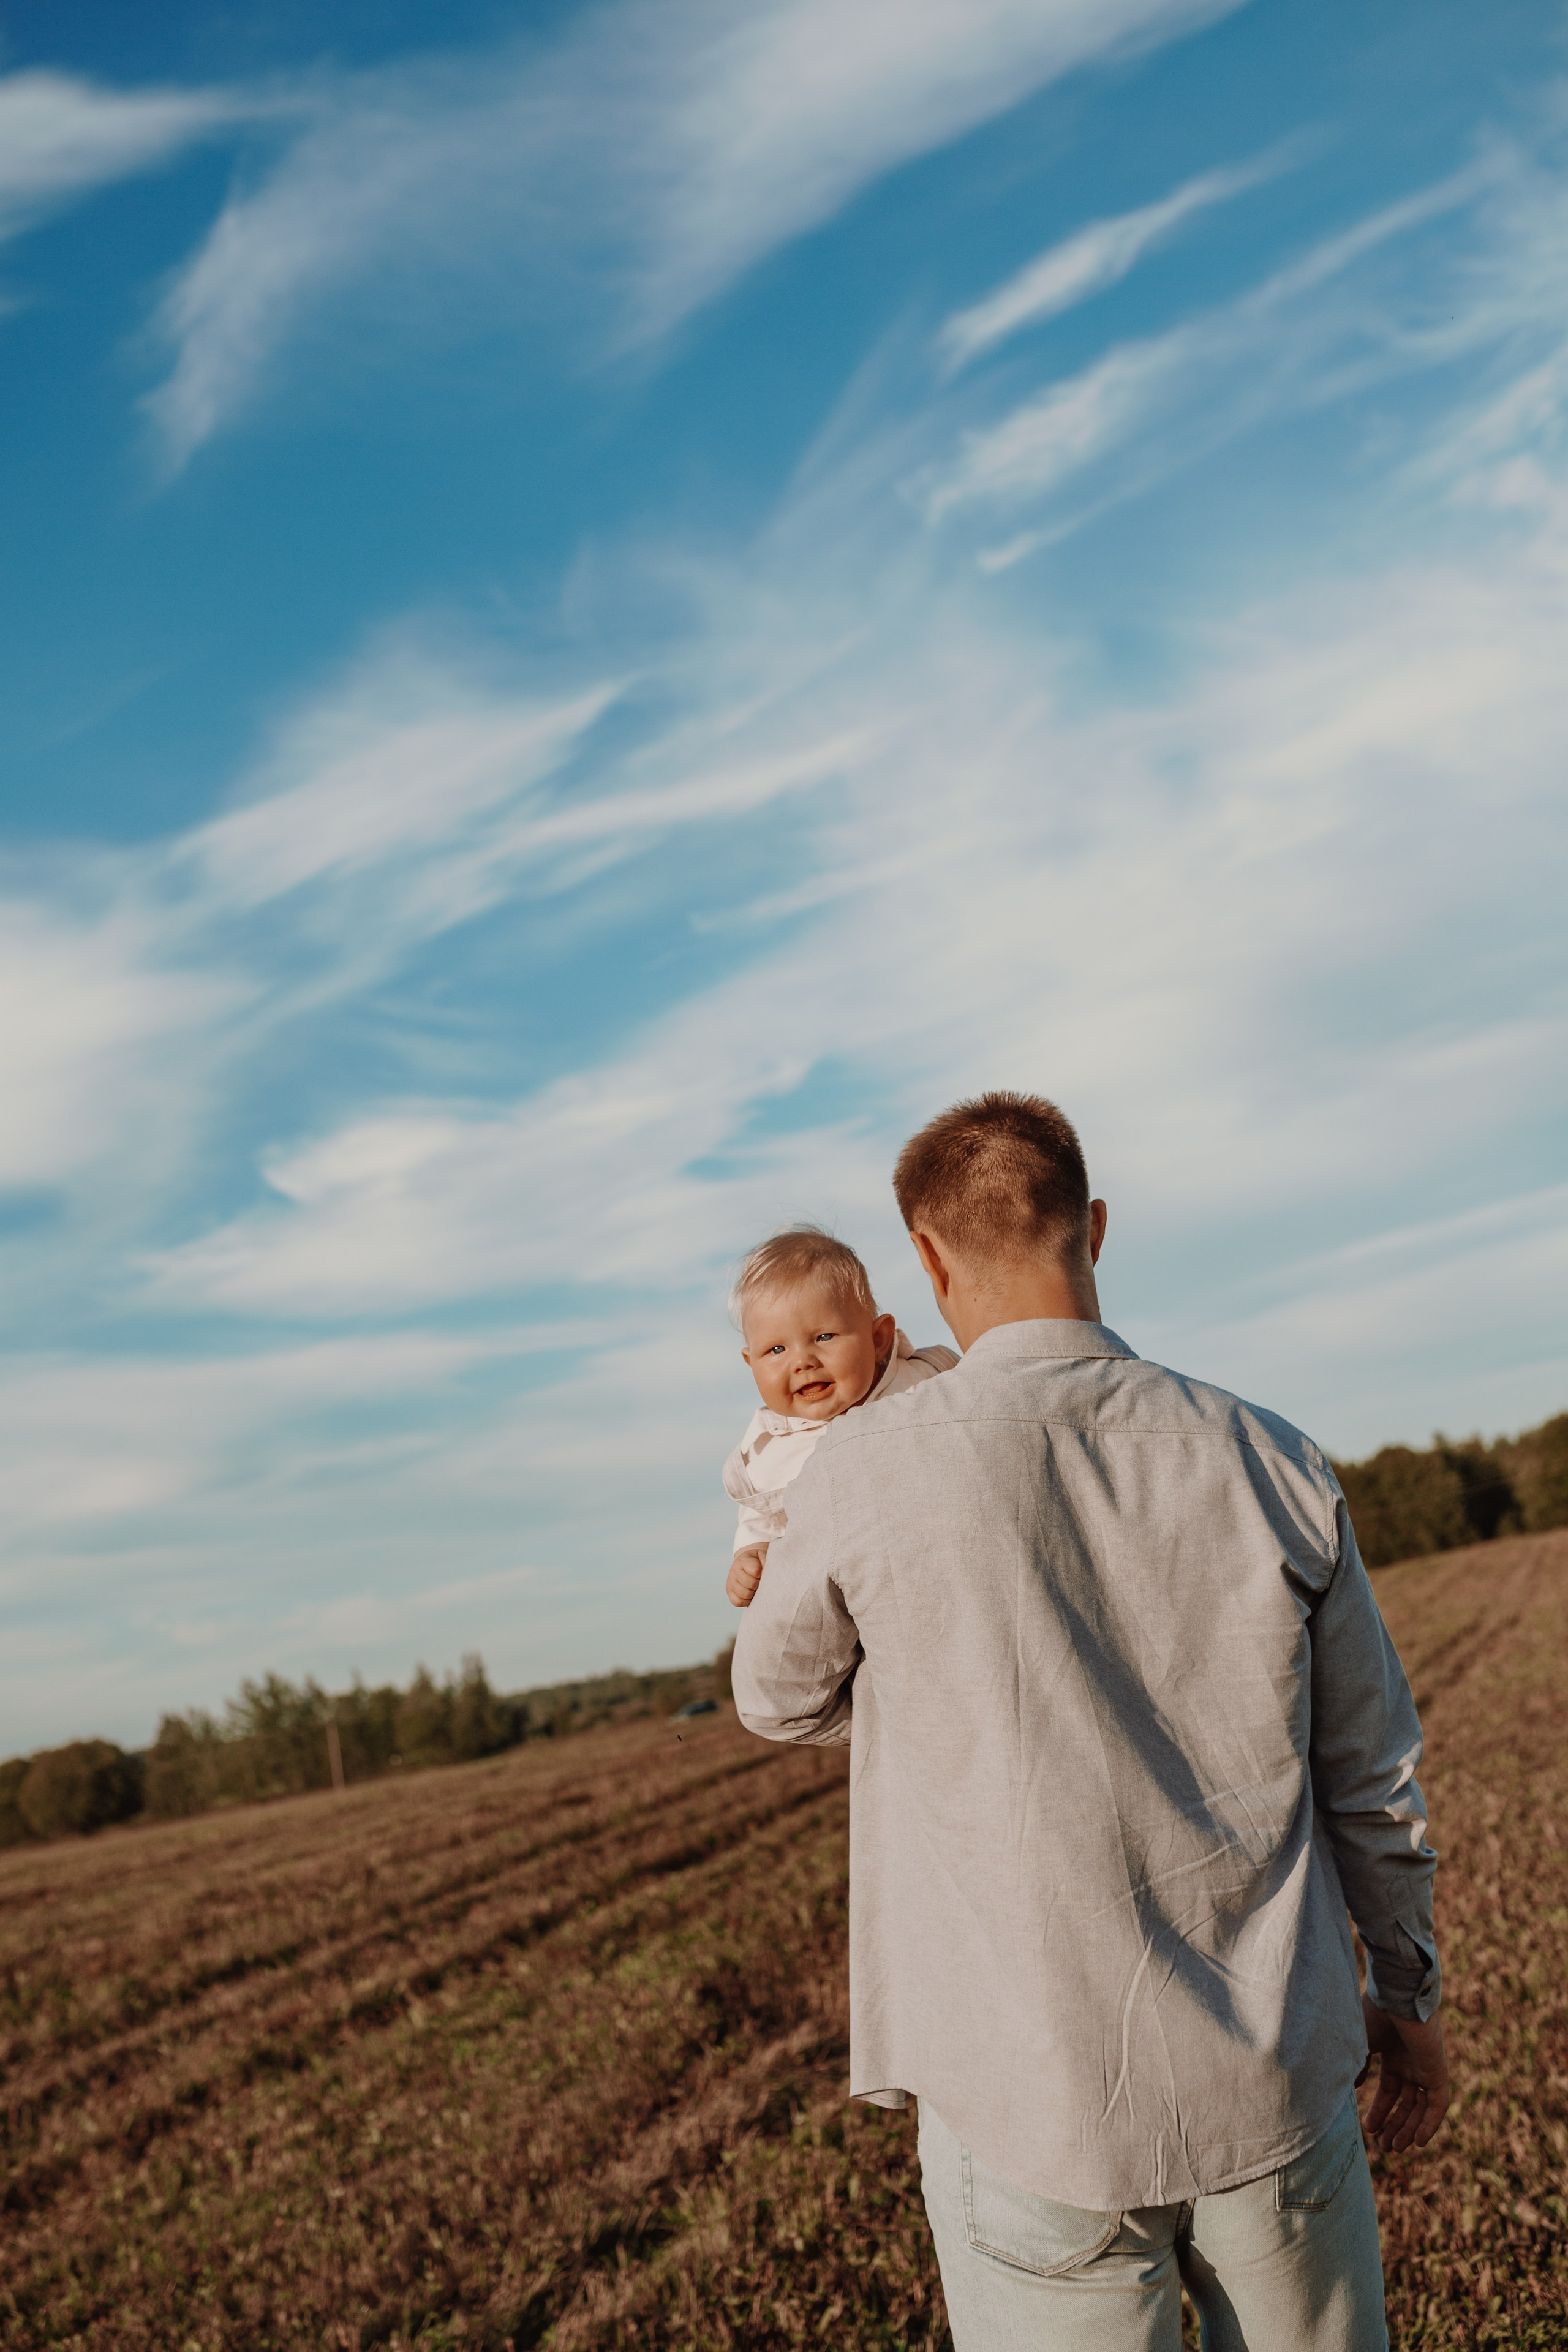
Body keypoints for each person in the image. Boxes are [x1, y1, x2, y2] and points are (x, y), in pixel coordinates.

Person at [731, 1092, 1447, 2351]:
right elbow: (1369, 1777)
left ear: (928, 1264)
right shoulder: (1268, 1456)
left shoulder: (857, 1474)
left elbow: (773, 1699)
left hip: (1027, 2102)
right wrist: (1409, 1992)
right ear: (1094, 1229)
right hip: (1277, 2081)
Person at [722, 1224, 955, 1609]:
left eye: (824, 1337)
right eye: (776, 1349)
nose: (803, 1362)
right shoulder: (768, 1452)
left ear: (878, 1340)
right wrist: (750, 1556)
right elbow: (761, 1520)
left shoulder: (923, 1378)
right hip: (858, 1600)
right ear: (751, 1364)